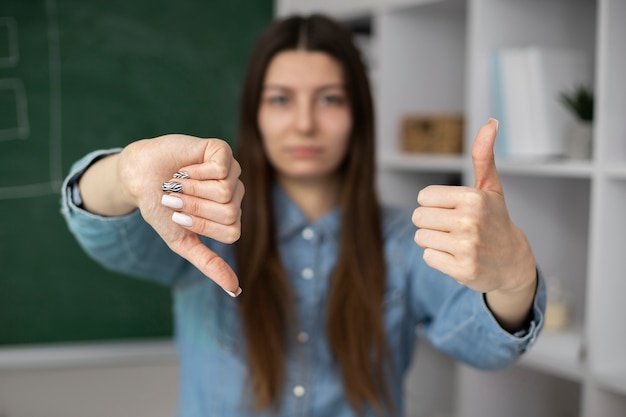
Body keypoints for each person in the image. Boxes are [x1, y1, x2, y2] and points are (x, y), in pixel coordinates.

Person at [61, 14, 545, 417]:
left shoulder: (406, 239)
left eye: (330, 99)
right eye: (281, 99)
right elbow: (102, 232)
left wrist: (515, 276)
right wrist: (124, 173)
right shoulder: (207, 220)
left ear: (359, 115)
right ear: (255, 114)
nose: (305, 122)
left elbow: (484, 344)